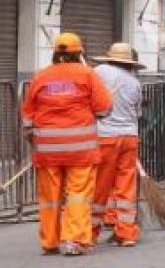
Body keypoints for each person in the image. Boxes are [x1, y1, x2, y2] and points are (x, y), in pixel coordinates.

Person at [21, 33, 112, 256]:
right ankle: (75, 241)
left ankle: (50, 242)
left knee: (50, 199)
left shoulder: (40, 77)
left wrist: (32, 134)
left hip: (48, 150)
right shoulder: (87, 75)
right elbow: (104, 108)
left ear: (56, 53)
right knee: (78, 195)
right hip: (80, 150)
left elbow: (27, 116)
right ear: (79, 53)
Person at [90, 43, 144, 246]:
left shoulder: (97, 73)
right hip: (129, 137)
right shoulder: (134, 82)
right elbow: (137, 112)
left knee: (99, 187)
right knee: (125, 187)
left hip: (104, 136)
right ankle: (127, 233)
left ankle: (90, 232)